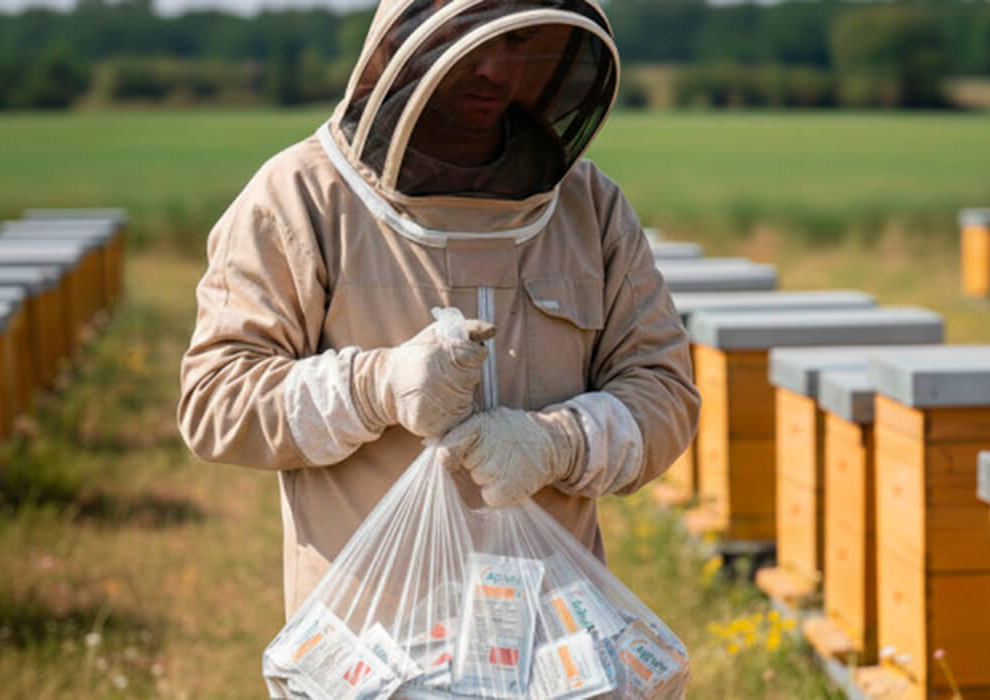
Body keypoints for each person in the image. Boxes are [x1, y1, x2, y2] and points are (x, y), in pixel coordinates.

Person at [178, 0, 700, 620]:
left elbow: (665, 393)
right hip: (371, 645)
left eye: (519, 43)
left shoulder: (590, 206)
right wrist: (375, 387)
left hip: (553, 641)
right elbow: (215, 401)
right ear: (406, 40)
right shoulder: (301, 197)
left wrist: (560, 444)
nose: (495, 71)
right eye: (470, 39)